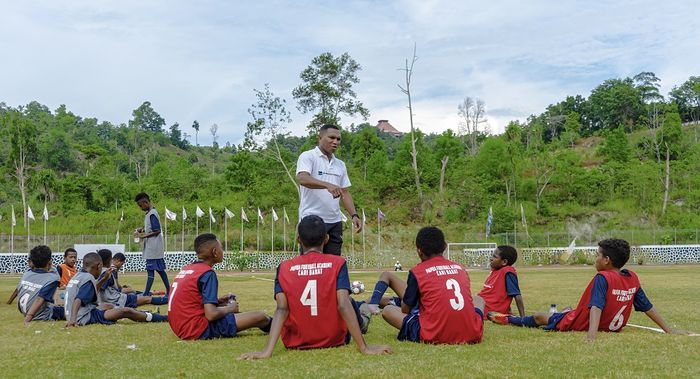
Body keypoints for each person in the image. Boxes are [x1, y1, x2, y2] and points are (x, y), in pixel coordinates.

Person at [239, 215, 391, 360]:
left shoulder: (284, 267)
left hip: (296, 341)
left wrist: (266, 351)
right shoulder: (337, 263)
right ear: (326, 239)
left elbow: (282, 309)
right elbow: (343, 304)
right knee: (348, 300)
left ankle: (364, 309)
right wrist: (364, 348)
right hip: (334, 339)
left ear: (299, 240)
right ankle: (364, 313)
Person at [487, 239, 684, 341]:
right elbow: (647, 306)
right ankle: (564, 312)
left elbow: (596, 307)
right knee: (567, 309)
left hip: (579, 323)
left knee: (539, 316)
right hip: (603, 323)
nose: (595, 258)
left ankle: (504, 318)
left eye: (597, 254)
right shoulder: (631, 277)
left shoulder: (602, 277)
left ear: (606, 260)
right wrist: (669, 330)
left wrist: (591, 336)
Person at [381, 226, 484, 345]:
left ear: (419, 251)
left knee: (388, 310)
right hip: (472, 333)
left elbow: (405, 309)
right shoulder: (460, 268)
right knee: (478, 299)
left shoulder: (417, 272)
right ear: (445, 246)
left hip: (435, 334)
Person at [167, 233, 272, 340]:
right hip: (197, 329)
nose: (223, 251)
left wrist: (217, 301)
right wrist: (230, 308)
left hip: (181, 327)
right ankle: (279, 326)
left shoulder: (187, 269)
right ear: (215, 252)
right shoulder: (207, 273)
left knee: (242, 316)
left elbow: (191, 301)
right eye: (221, 247)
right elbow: (211, 315)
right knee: (260, 316)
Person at [296, 124, 361, 255]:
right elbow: (302, 178)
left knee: (333, 265)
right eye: (331, 137)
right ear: (320, 137)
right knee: (311, 264)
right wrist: (327, 185)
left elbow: (345, 193)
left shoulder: (340, 165)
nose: (335, 142)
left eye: (338, 139)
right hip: (311, 220)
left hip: (334, 221)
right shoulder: (308, 156)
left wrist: (354, 215)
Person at [64, 252, 167, 327]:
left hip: (77, 312)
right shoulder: (89, 278)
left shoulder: (78, 275)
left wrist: (104, 279)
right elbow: (78, 299)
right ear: (99, 265)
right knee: (126, 311)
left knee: (110, 306)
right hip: (83, 316)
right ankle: (162, 318)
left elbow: (91, 291)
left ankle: (146, 312)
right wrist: (73, 320)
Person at [96, 249, 168, 308]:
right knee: (146, 298)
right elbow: (102, 288)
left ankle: (151, 294)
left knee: (135, 296)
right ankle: (171, 300)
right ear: (110, 259)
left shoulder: (98, 272)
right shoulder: (108, 272)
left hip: (113, 299)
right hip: (117, 300)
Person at [16, 245, 65, 325]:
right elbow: (39, 299)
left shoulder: (27, 273)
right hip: (39, 315)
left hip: (24, 311)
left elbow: (19, 290)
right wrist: (28, 319)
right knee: (67, 310)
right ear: (50, 262)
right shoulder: (52, 279)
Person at [134, 192, 170, 295]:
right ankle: (169, 289)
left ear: (145, 202)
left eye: (140, 205)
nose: (140, 207)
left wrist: (144, 236)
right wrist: (143, 229)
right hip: (154, 247)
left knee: (150, 270)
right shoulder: (149, 213)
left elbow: (157, 230)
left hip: (153, 247)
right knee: (160, 270)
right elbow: (151, 227)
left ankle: (145, 294)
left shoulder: (152, 213)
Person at [478, 245, 525, 317]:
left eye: (494, 257)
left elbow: (517, 295)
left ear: (504, 262)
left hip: (488, 310)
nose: (491, 258)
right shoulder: (495, 271)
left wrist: (523, 318)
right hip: (482, 305)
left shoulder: (507, 272)